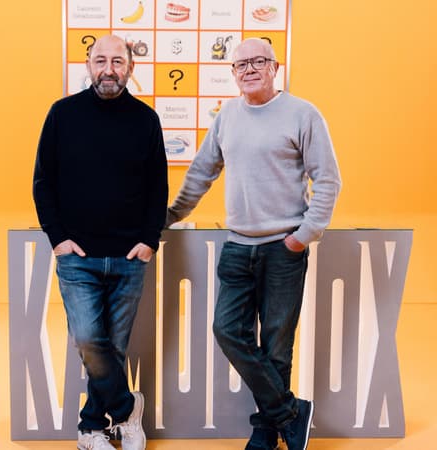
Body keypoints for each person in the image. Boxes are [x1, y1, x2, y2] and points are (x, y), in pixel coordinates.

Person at [165, 38, 341, 450]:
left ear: (275, 67)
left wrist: (303, 236)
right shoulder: (227, 116)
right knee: (227, 330)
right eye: (240, 64)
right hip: (237, 247)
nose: (248, 69)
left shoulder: (303, 114)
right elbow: (201, 173)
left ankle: (266, 430)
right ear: (233, 73)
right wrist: (170, 215)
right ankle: (289, 414)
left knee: (277, 343)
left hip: (284, 248)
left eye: (258, 61)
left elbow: (328, 179)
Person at [33, 34, 168, 450]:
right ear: (88, 65)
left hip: (129, 258)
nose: (109, 69)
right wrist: (58, 239)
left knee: (115, 349)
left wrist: (149, 241)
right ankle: (127, 409)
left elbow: (158, 187)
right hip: (79, 258)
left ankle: (92, 427)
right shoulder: (62, 114)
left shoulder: (146, 120)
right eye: (100, 60)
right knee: (89, 340)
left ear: (131, 67)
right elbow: (43, 182)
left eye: (118, 61)